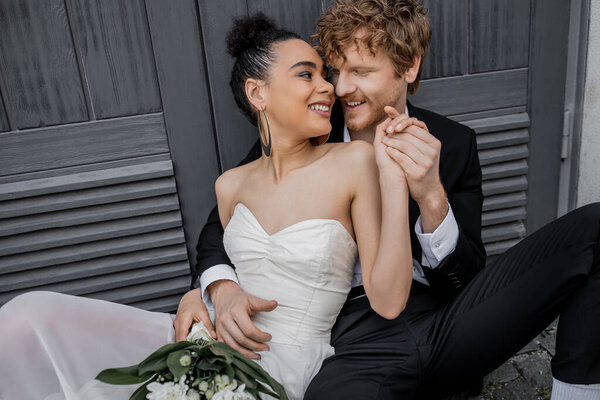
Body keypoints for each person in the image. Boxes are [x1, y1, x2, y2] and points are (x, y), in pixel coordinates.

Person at [179, 1, 600, 399]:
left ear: (409, 65)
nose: (340, 88)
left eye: (360, 71)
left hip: (438, 322)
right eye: (335, 70)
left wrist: (432, 197)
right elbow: (222, 228)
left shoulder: (452, 143)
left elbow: (469, 278)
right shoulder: (310, 127)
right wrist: (220, 287)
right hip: (347, 338)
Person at [0, 14, 419, 400]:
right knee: (30, 317)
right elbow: (237, 262)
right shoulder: (230, 185)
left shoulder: (353, 163)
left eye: (324, 75)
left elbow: (388, 301)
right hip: (200, 336)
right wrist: (199, 294)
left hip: (275, 360)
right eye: (306, 74)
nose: (328, 86)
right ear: (258, 92)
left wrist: (395, 177)